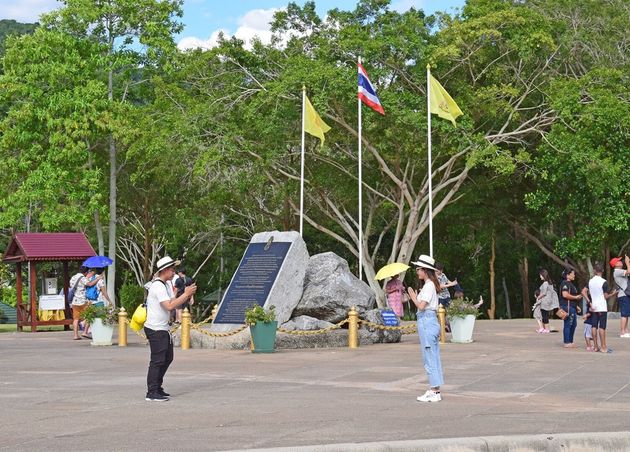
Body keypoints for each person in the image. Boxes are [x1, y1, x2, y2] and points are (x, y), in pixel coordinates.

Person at [144, 256, 197, 402]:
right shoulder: (158, 286)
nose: (174, 272)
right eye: (172, 269)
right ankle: (152, 391)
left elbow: (172, 301)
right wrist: (186, 294)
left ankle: (157, 387)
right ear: (165, 270)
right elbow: (168, 306)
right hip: (156, 328)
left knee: (167, 358)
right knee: (157, 360)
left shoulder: (166, 285)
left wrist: (185, 295)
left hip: (163, 328)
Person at [407, 254, 444, 403]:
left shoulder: (428, 286)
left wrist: (412, 296)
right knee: (432, 356)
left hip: (427, 321)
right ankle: (435, 389)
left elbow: (421, 306)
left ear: (424, 270)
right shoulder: (429, 286)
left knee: (429, 357)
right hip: (429, 321)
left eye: (418, 269)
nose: (417, 272)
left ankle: (434, 390)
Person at [582, 263, 613, 353]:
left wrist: (590, 303)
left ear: (594, 271)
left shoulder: (590, 281)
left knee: (594, 326)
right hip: (602, 307)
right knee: (602, 327)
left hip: (594, 307)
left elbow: (583, 292)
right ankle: (603, 347)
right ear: (602, 271)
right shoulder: (604, 282)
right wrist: (613, 294)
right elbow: (606, 296)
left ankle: (595, 347)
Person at [69, 267, 99, 340]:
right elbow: (90, 284)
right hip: (83, 301)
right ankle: (85, 332)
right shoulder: (82, 278)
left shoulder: (73, 277)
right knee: (90, 315)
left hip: (74, 301)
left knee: (76, 319)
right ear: (85, 272)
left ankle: (75, 335)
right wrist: (98, 278)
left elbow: (72, 286)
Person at [559, 268, 582, 348]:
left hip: (572, 307)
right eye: (573, 273)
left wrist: (576, 306)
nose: (574, 275)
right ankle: (567, 342)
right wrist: (576, 297)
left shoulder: (570, 284)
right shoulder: (565, 283)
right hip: (567, 307)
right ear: (568, 275)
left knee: (573, 324)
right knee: (568, 324)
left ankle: (570, 341)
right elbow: (565, 295)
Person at [611, 255, 630, 337]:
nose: (620, 261)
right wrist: (627, 262)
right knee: (624, 314)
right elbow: (629, 271)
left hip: (625, 294)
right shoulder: (617, 271)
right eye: (618, 261)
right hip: (623, 295)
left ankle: (625, 330)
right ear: (615, 264)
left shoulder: (619, 271)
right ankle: (622, 332)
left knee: (627, 313)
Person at [537, 269, 559, 334]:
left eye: (540, 275)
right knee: (544, 314)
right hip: (548, 300)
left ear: (543, 275)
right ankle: (544, 328)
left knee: (544, 314)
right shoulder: (550, 283)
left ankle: (546, 329)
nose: (540, 277)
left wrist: (538, 297)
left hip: (545, 301)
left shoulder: (545, 283)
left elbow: (544, 293)